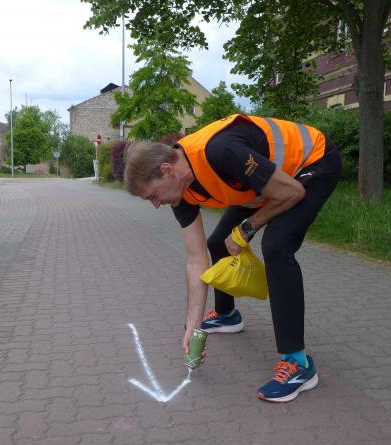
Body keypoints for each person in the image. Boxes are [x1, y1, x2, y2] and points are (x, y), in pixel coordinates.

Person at [123, 114, 341, 402]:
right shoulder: (181, 192)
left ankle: (298, 364)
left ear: (167, 170)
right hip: (263, 182)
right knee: (218, 242)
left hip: (311, 163)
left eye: (152, 195)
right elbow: (196, 260)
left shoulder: (221, 151)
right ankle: (227, 315)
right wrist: (192, 325)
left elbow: (291, 192)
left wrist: (248, 228)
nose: (156, 204)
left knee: (276, 246)